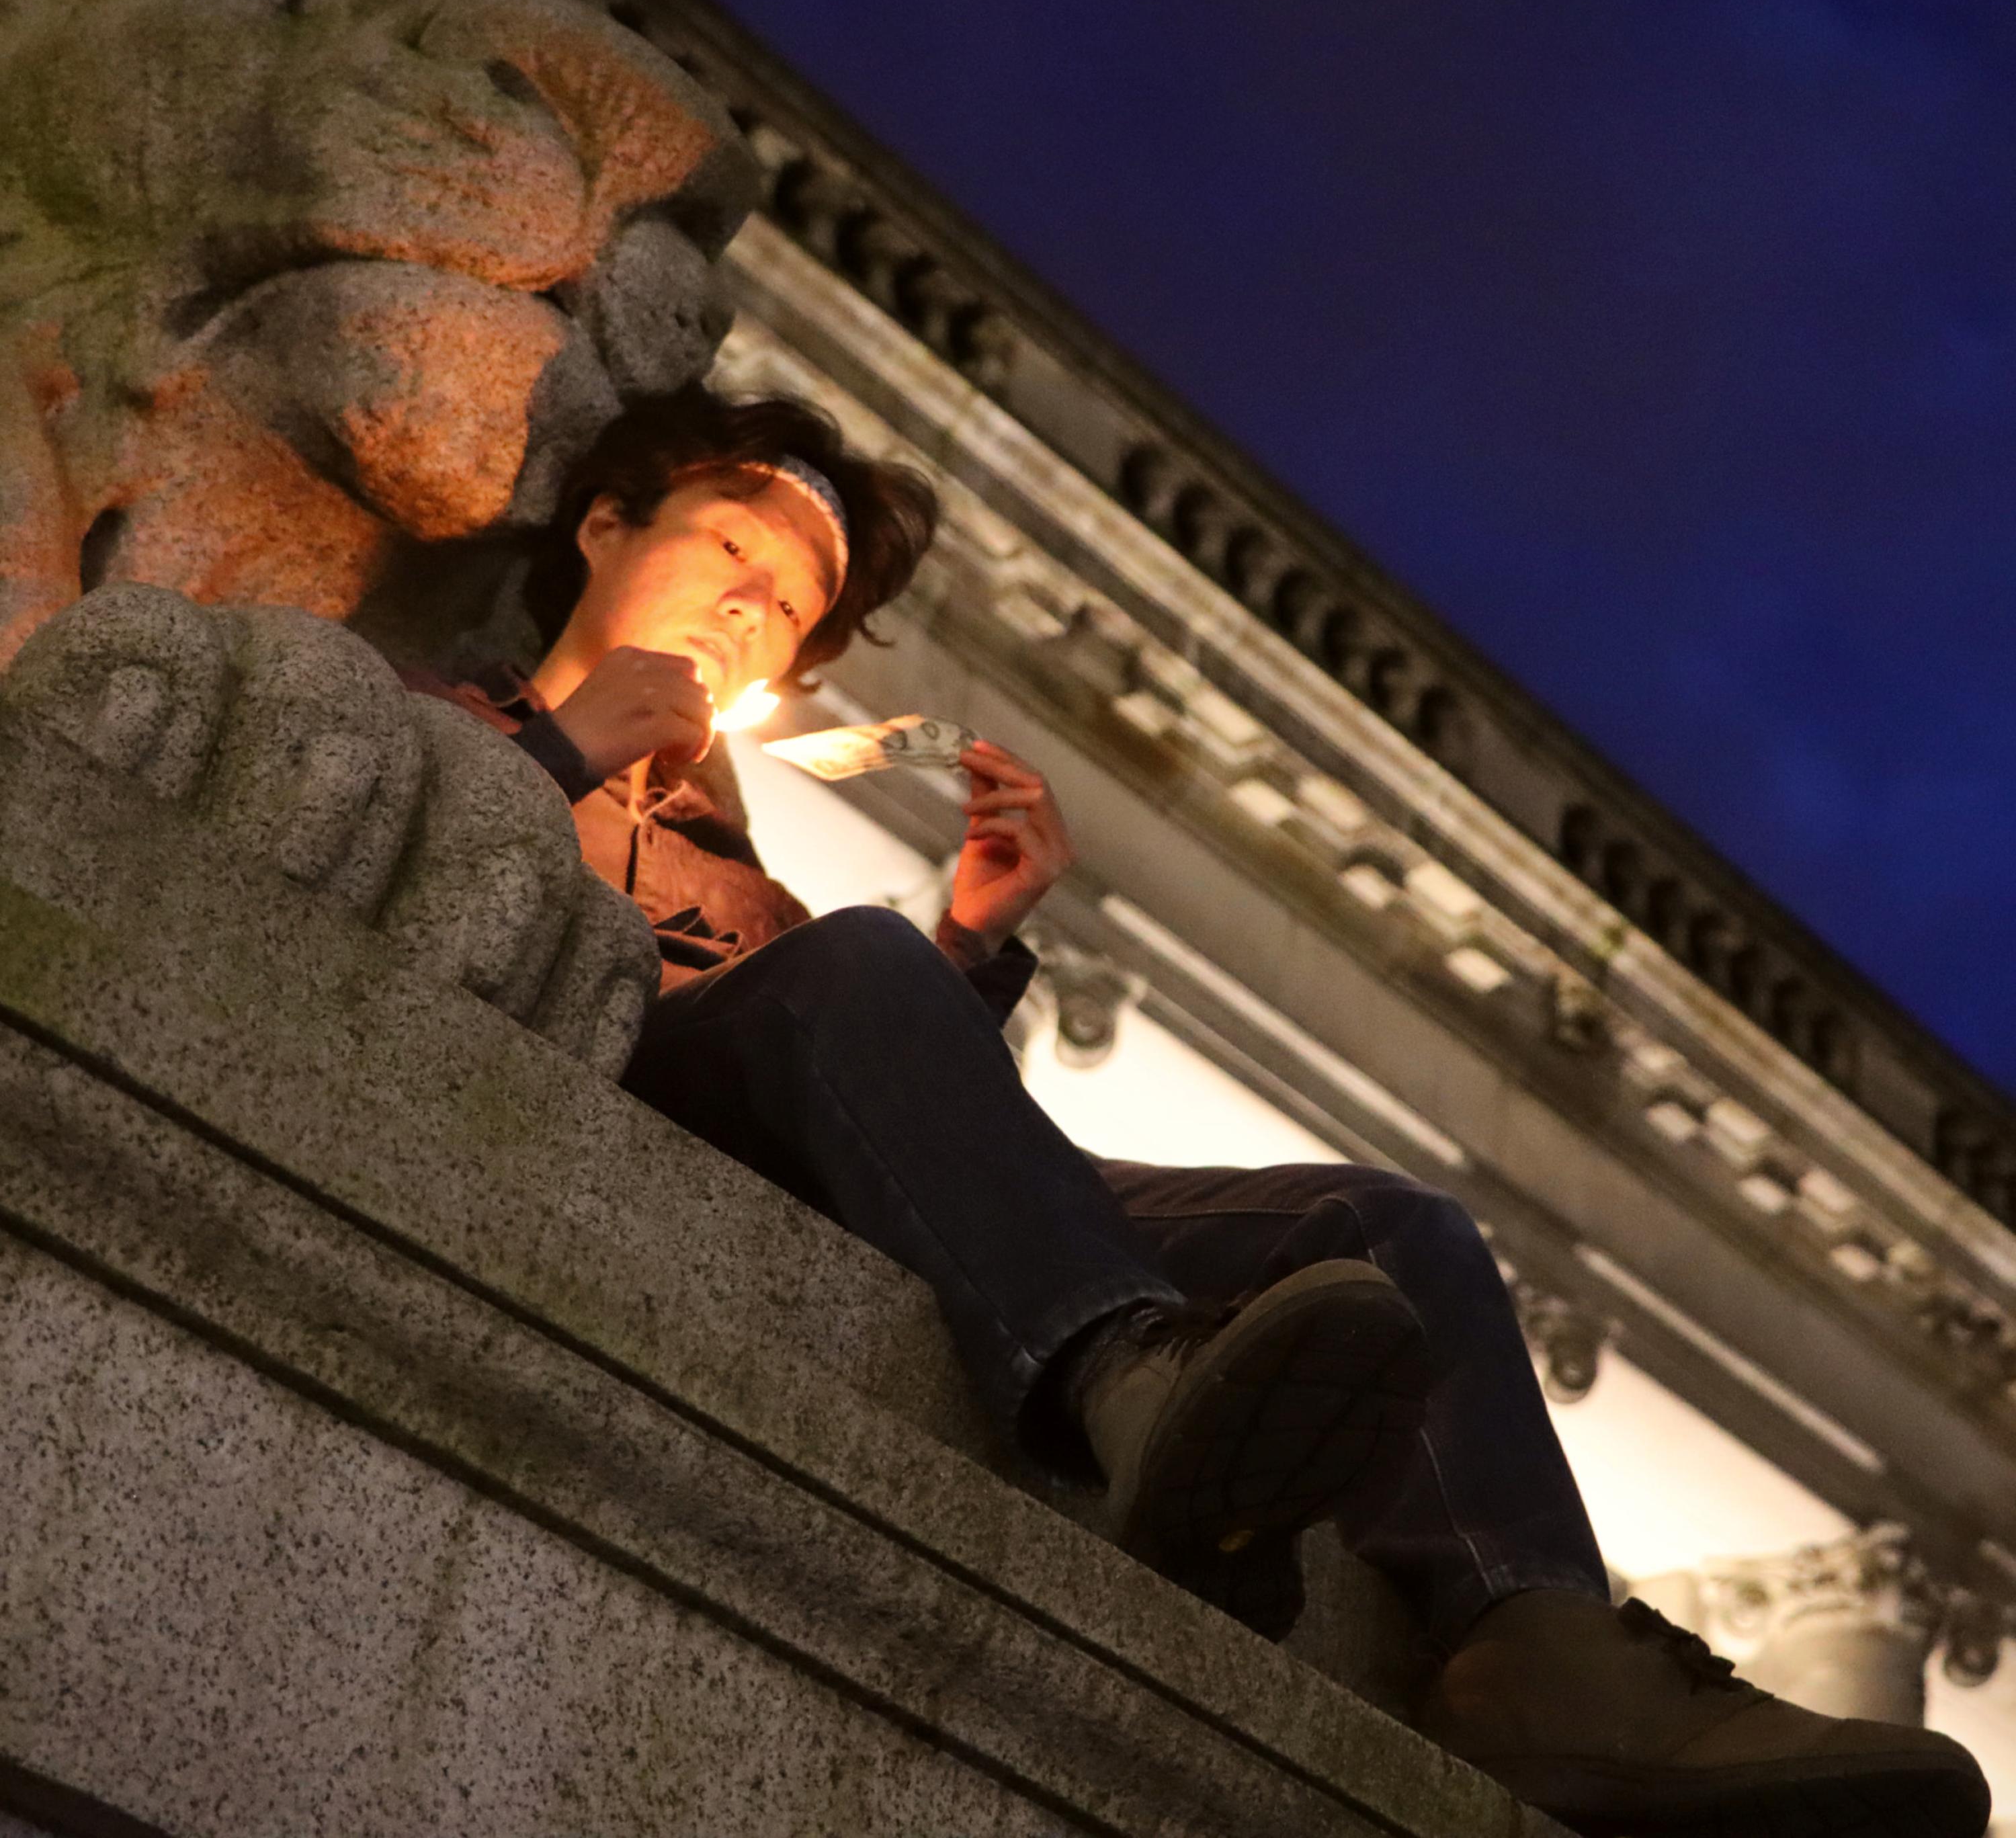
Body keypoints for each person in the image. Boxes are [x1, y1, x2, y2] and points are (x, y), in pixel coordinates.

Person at [415, 386, 1989, 1838]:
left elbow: (879, 1090)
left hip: (809, 1110)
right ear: (606, 528)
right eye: (732, 550)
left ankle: (1544, 1659)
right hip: (628, 1073)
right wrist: (563, 751)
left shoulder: (746, 864)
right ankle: (1127, 1379)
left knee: (1386, 1228)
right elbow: (383, 869)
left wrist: (970, 945)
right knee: (857, 963)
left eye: (788, 605)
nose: (750, 607)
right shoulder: (448, 717)